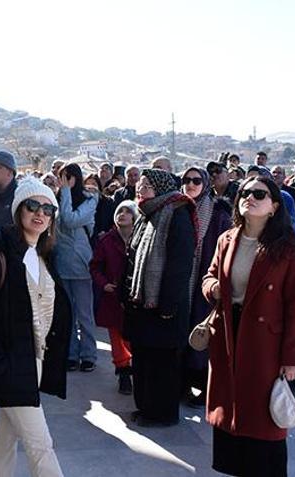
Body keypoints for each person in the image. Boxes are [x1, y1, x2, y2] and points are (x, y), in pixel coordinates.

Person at [0, 177, 70, 477]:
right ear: (19, 209)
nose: (41, 213)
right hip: (10, 364)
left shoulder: (43, 255)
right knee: (41, 445)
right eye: (33, 205)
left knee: (6, 437)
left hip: (33, 360)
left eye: (49, 209)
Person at [201, 175, 295, 476]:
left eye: (259, 194)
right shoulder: (227, 239)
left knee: (263, 418)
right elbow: (209, 276)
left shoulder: (288, 249)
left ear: (274, 206)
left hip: (265, 343)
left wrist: (291, 360)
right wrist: (214, 289)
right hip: (227, 334)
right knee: (229, 410)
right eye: (245, 193)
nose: (250, 197)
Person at [124, 169, 196, 427]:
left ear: (161, 187)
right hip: (144, 304)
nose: (140, 189)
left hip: (165, 306)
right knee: (144, 359)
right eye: (140, 184)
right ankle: (146, 408)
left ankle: (161, 414)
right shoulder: (147, 213)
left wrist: (168, 305)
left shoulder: (177, 213)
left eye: (146, 185)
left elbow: (180, 264)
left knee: (161, 364)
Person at [180, 167, 232, 408]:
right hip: (181, 282)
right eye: (186, 180)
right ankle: (183, 385)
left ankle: (205, 388)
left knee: (204, 337)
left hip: (206, 283)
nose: (190, 184)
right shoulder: (178, 207)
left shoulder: (218, 212)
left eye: (196, 180)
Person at [90, 200, 138, 395]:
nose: (123, 214)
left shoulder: (141, 238)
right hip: (113, 297)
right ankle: (123, 372)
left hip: (135, 297)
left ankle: (135, 368)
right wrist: (104, 284)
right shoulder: (107, 240)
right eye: (120, 211)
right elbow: (95, 266)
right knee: (116, 338)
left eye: (127, 211)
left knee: (132, 338)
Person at [55, 163, 99, 372]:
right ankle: (71, 353)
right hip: (61, 263)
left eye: (67, 178)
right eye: (61, 178)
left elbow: (70, 220)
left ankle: (88, 354)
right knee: (67, 313)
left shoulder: (90, 199)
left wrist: (65, 192)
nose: (63, 182)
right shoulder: (56, 199)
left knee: (84, 313)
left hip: (81, 264)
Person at [84, 173, 116, 240]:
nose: (90, 187)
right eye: (87, 184)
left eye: (94, 184)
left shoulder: (108, 202)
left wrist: (106, 232)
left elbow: (113, 221)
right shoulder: (80, 202)